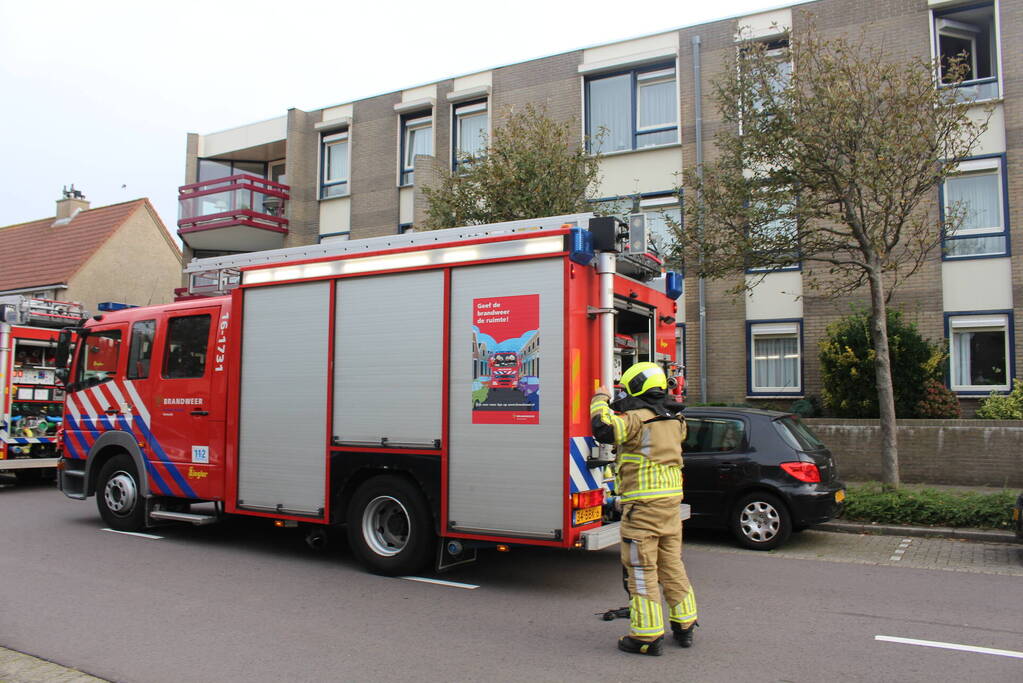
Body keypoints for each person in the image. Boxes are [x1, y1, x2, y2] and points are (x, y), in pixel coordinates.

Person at [590, 362, 697, 656]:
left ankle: (646, 637)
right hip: (671, 504)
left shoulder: (636, 419)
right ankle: (685, 624)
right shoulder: (677, 420)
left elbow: (603, 429)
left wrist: (600, 398)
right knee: (672, 564)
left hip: (643, 507)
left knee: (641, 568)